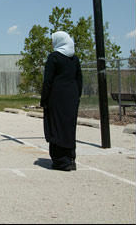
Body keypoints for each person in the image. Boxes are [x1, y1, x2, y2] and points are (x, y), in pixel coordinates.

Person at [41, 31, 83, 171]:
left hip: (57, 96)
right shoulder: (75, 59)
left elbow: (48, 80)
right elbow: (79, 79)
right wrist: (76, 96)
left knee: (57, 126)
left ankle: (60, 161)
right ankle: (71, 158)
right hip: (72, 96)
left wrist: (44, 99)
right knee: (69, 127)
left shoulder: (54, 58)